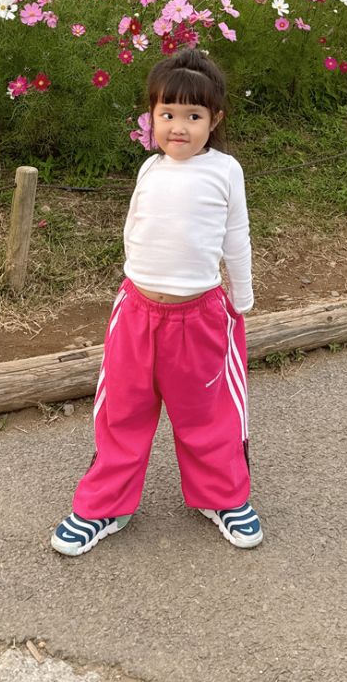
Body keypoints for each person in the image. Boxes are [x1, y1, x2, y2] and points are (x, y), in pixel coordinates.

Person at [51, 47, 261, 555]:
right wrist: (136, 279)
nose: (178, 127)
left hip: (202, 315)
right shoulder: (150, 169)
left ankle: (223, 497)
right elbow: (134, 227)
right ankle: (106, 507)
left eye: (193, 116)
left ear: (215, 120)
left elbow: (237, 234)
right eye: (167, 114)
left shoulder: (225, 170)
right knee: (122, 410)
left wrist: (242, 295)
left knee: (207, 413)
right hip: (137, 311)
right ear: (152, 117)